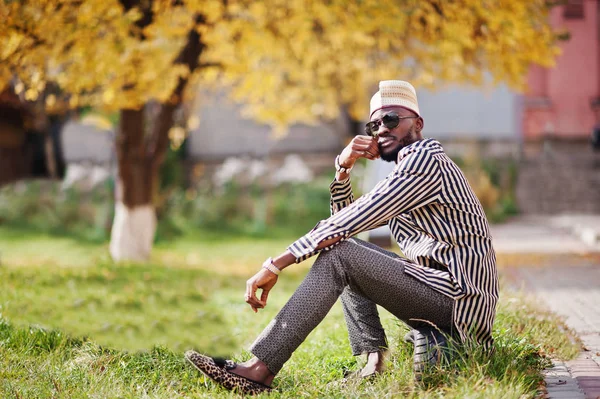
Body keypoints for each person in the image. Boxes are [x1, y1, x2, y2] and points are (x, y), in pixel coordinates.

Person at [185, 80, 499, 395]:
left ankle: (258, 372)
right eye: (374, 124)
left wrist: (277, 263)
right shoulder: (406, 167)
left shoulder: (424, 161)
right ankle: (374, 361)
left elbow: (348, 224)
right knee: (343, 252)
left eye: (391, 120)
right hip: (441, 290)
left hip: (459, 301)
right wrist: (343, 169)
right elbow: (343, 227)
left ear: (417, 124)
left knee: (341, 254)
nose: (381, 130)